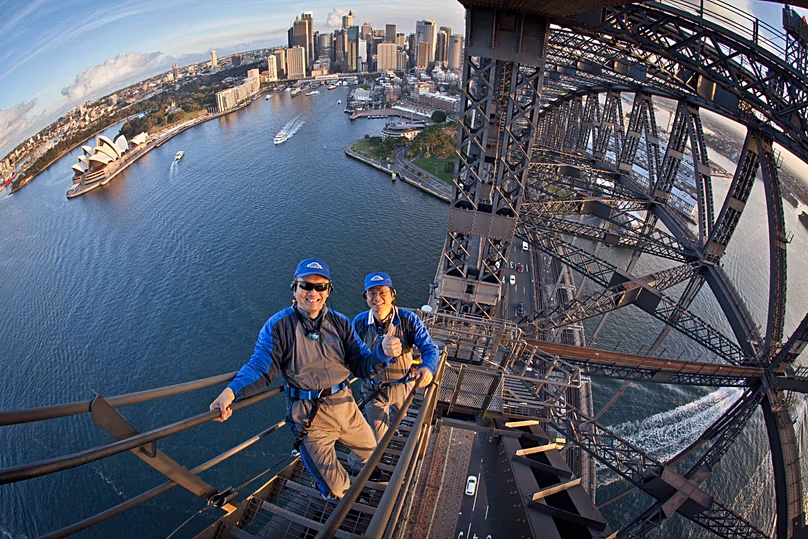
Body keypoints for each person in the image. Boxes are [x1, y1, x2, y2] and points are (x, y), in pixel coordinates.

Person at [209, 258, 402, 500]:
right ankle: (346, 502)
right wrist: (231, 392)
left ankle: (368, 483)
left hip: (346, 407)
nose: (313, 293)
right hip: (310, 420)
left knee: (371, 453)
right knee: (336, 488)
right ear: (295, 288)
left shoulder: (340, 322)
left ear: (328, 290)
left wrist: (382, 353)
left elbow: (362, 364)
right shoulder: (278, 326)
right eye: (306, 286)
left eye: (321, 287)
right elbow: (261, 366)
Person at [353, 272, 439, 441]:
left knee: (399, 417)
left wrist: (427, 367)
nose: (377, 298)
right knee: (377, 437)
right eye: (372, 293)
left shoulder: (408, 320)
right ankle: (361, 463)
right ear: (366, 297)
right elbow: (351, 354)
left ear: (392, 295)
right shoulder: (359, 323)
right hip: (374, 389)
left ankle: (393, 430)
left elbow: (430, 348)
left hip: (403, 386)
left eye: (382, 292)